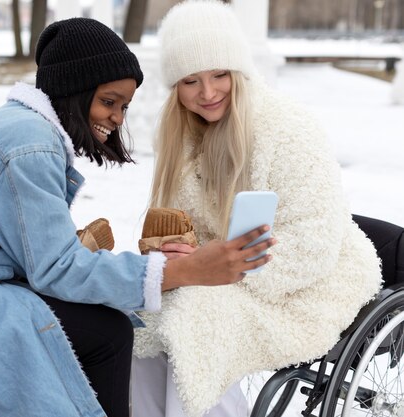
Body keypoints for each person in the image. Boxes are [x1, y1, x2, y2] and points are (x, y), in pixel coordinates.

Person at [0, 17, 276, 417]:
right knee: (108, 333)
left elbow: (32, 251)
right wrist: (182, 270)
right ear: (73, 90)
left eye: (124, 107)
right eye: (108, 102)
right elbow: (56, 269)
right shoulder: (31, 144)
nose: (116, 118)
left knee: (104, 325)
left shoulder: (28, 128)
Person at [130, 1, 383, 417]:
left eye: (219, 75)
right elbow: (186, 231)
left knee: (194, 319)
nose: (208, 93)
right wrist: (177, 255)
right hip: (220, 276)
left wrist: (221, 269)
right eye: (191, 81)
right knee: (138, 315)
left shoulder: (288, 129)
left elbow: (315, 240)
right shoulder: (183, 140)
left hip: (304, 285)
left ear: (239, 72)